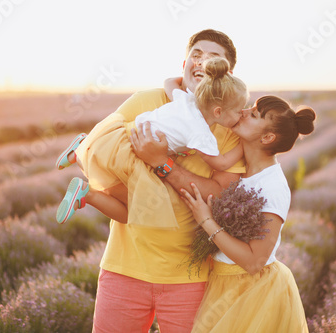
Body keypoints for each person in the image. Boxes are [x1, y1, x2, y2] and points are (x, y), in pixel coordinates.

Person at [65, 29, 245, 332]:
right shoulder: (147, 100)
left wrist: (161, 162)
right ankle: (80, 169)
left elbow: (217, 195)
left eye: (213, 59)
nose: (201, 63)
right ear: (185, 63)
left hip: (192, 277)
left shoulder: (229, 127)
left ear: (225, 74)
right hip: (125, 268)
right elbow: (109, 152)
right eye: (196, 55)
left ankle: (83, 178)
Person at [131, 95, 314, 332]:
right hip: (221, 281)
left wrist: (206, 220)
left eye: (255, 114)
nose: (244, 111)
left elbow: (254, 261)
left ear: (267, 137)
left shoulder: (272, 186)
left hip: (249, 293)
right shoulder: (241, 171)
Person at [55, 57, 248, 229]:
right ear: (218, 112)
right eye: (239, 111)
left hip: (116, 137)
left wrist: (206, 78)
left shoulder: (185, 100)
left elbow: (169, 82)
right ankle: (85, 191)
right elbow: (221, 163)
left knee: (110, 182)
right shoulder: (201, 135)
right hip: (132, 153)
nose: (241, 115)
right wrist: (245, 143)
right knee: (133, 210)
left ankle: (80, 149)